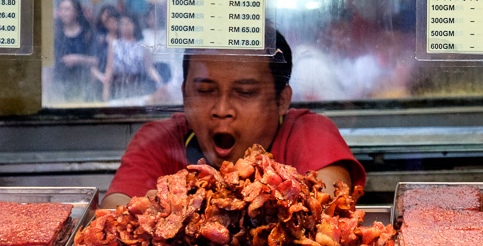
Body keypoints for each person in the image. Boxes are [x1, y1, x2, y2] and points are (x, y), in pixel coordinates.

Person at [102, 30, 364, 208]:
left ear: (282, 100)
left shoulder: (309, 132)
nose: (222, 109)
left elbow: (328, 205)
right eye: (205, 91)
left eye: (245, 92)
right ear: (184, 94)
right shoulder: (158, 142)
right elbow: (114, 213)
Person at [99, 13, 165, 101]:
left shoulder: (143, 45)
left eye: (128, 23)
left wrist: (160, 83)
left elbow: (149, 68)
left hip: (137, 87)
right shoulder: (114, 44)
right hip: (118, 87)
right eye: (122, 24)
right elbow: (109, 68)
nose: (125, 27)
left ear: (134, 25)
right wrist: (106, 90)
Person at [52, 0, 97, 102]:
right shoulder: (56, 35)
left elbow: (97, 60)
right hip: (60, 87)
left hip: (84, 86)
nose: (63, 13)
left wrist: (78, 59)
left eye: (67, 9)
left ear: (76, 12)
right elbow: (48, 65)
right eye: (61, 9)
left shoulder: (87, 34)